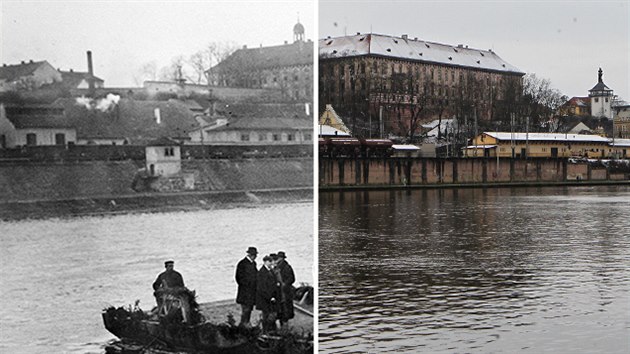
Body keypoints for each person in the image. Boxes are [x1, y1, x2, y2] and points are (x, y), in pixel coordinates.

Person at [235, 246, 258, 327]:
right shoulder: (242, 264)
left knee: (249, 309)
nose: (255, 256)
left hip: (251, 292)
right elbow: (239, 278)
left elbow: (256, 275)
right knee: (246, 309)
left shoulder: (253, 264)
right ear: (249, 255)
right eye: (253, 255)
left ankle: (246, 324)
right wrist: (247, 285)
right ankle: (243, 325)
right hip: (245, 291)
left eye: (255, 255)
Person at [256, 255, 279, 333]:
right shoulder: (261, 272)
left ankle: (271, 330)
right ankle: (266, 331)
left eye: (271, 261)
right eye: (269, 261)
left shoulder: (270, 270)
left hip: (271, 297)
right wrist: (270, 297)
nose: (271, 263)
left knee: (272, 314)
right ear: (265, 262)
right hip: (265, 298)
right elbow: (261, 287)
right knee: (266, 315)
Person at [275, 251, 295, 329]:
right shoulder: (277, 267)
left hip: (285, 292)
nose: (278, 259)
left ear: (282, 259)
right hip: (279, 292)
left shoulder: (287, 267)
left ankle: (285, 326)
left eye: (280, 258)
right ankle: (282, 325)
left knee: (285, 309)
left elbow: (292, 278)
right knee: (280, 309)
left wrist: (285, 284)